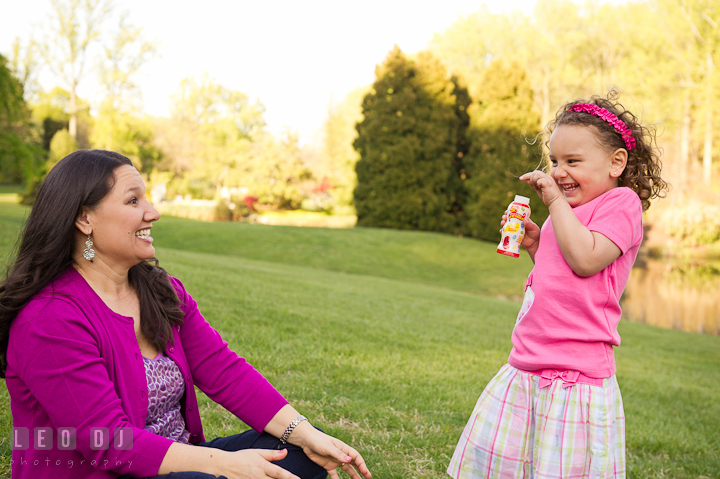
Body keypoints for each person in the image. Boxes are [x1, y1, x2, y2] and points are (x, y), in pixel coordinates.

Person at [0, 150, 373, 479]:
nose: (153, 212)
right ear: (85, 219)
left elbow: (225, 371)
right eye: (133, 201)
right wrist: (225, 464)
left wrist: (306, 433)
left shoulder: (162, 291)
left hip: (182, 464)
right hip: (105, 473)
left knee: (300, 456)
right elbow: (110, 442)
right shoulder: (48, 319)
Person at [447, 91, 667, 479]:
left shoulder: (621, 205)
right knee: (511, 466)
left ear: (617, 162)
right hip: (529, 363)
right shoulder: (564, 214)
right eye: (554, 161)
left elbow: (586, 260)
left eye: (573, 161)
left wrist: (555, 205)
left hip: (575, 377)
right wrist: (535, 245)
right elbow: (562, 277)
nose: (559, 171)